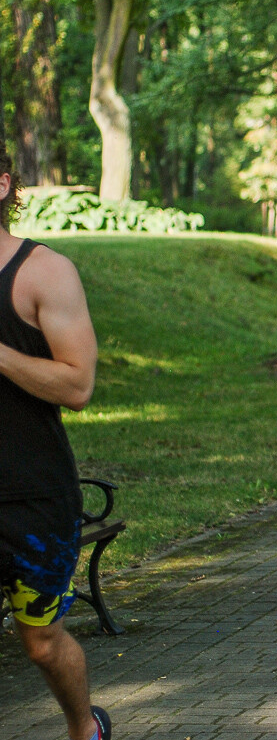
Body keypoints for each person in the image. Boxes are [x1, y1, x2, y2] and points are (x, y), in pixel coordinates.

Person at [0, 164, 112, 740]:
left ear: (2, 184)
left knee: (41, 642)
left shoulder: (44, 271)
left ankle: (83, 728)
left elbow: (77, 387)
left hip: (33, 496)